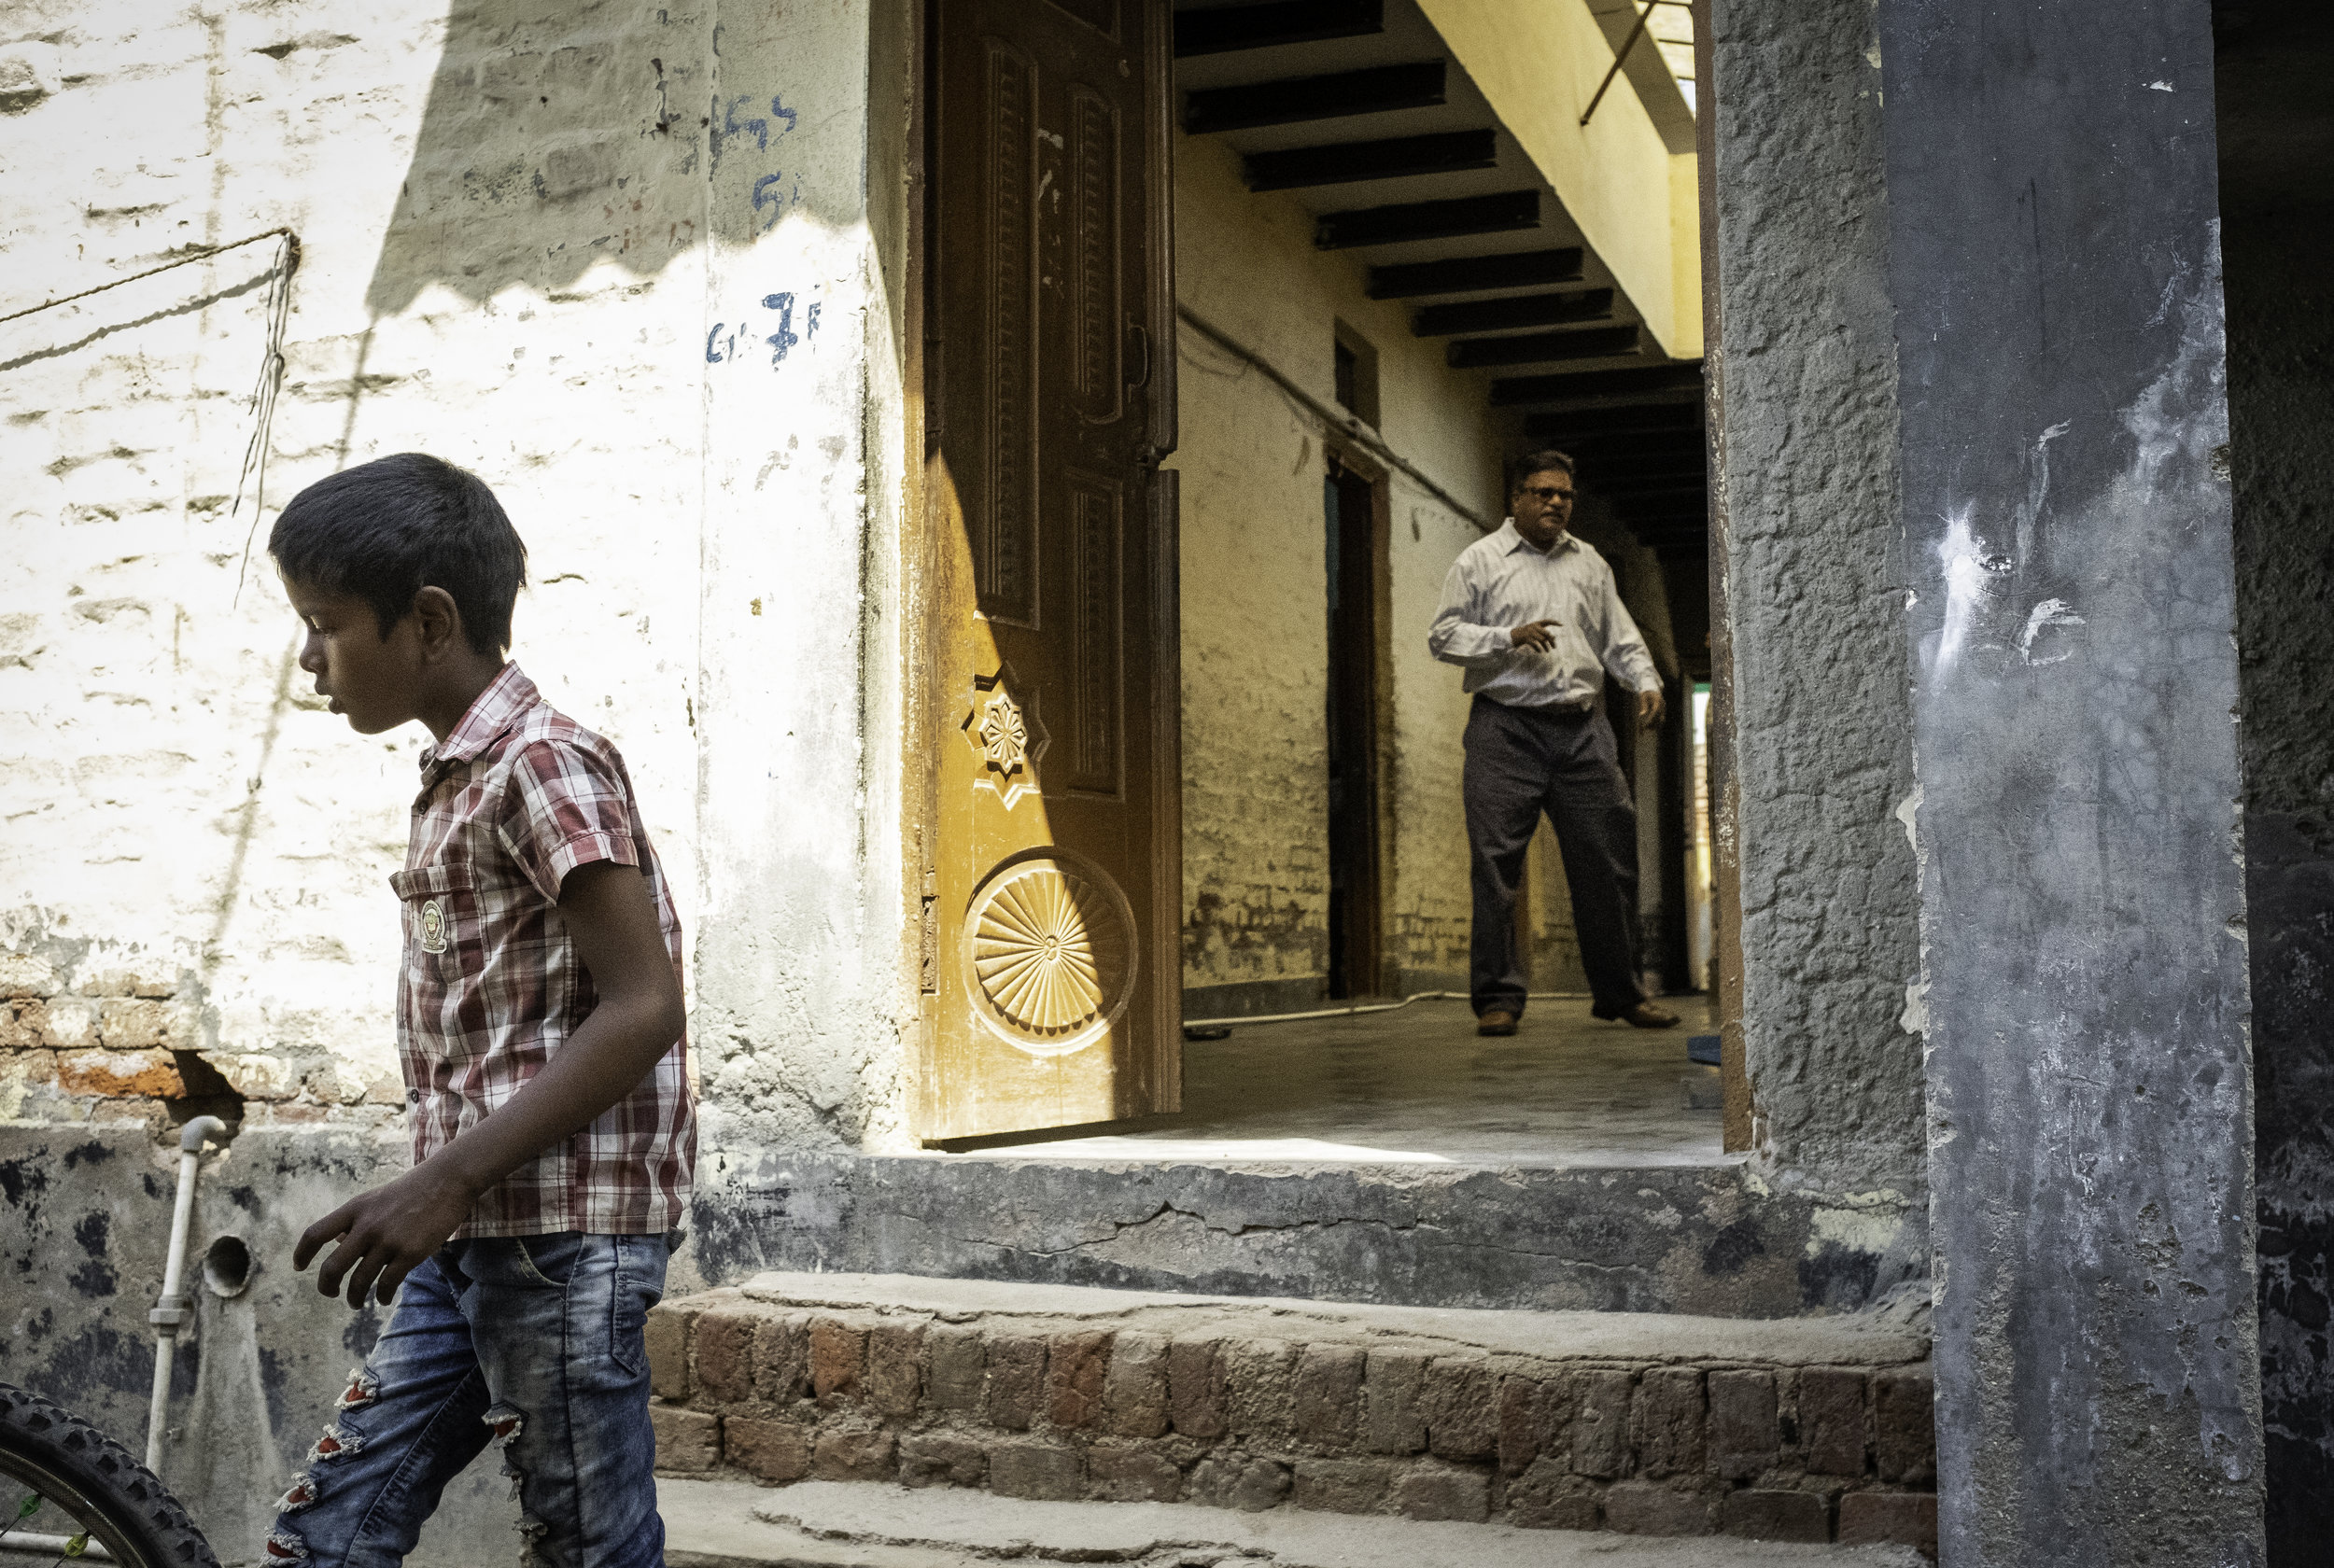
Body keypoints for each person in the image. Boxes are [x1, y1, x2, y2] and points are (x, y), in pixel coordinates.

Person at [260, 454, 695, 1567]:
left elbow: (645, 1006)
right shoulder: (456, 778)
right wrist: (441, 1186)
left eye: (328, 623)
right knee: (330, 1530)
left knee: (587, 1547)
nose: (311, 658)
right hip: (474, 1236)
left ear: (431, 620)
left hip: (561, 1242)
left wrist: (446, 1177)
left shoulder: (540, 765)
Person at [1427, 451, 1680, 1037]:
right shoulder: (1480, 562)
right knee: (1496, 867)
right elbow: (1442, 636)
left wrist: (1644, 681)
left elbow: (1619, 636)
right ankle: (1498, 999)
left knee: (1609, 862)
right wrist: (1505, 636)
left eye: (1564, 495)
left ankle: (1621, 993)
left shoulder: (1589, 563)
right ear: (1514, 499)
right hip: (1504, 728)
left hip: (1582, 730)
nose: (1556, 503)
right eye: (1542, 493)